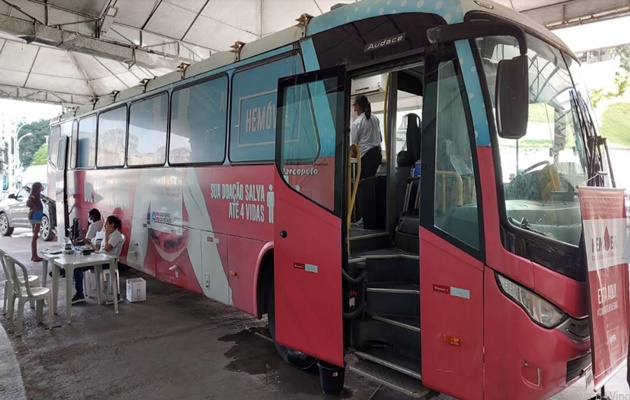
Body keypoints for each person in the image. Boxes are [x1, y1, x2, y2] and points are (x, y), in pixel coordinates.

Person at [72, 215, 124, 303]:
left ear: (112, 225)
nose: (104, 226)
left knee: (78, 268)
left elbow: (107, 248)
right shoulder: (109, 235)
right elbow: (100, 250)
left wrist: (107, 235)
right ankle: (79, 293)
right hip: (100, 257)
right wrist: (91, 243)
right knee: (78, 266)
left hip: (107, 261)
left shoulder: (116, 235)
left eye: (106, 224)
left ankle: (64, 273)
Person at [350, 94, 383, 225]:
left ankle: (365, 219)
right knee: (371, 186)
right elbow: (380, 139)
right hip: (377, 155)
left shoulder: (357, 122)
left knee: (363, 187)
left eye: (354, 106)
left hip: (366, 157)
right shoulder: (375, 118)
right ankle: (371, 217)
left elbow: (354, 147)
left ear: (358, 106)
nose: (354, 110)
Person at [26, 182, 44, 262]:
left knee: (35, 236)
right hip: (35, 216)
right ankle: (34, 255)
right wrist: (34, 207)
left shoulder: (36, 194)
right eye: (40, 187)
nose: (41, 188)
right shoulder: (34, 195)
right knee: (35, 236)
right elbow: (28, 202)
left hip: (36, 215)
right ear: (37, 188)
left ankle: (34, 255)